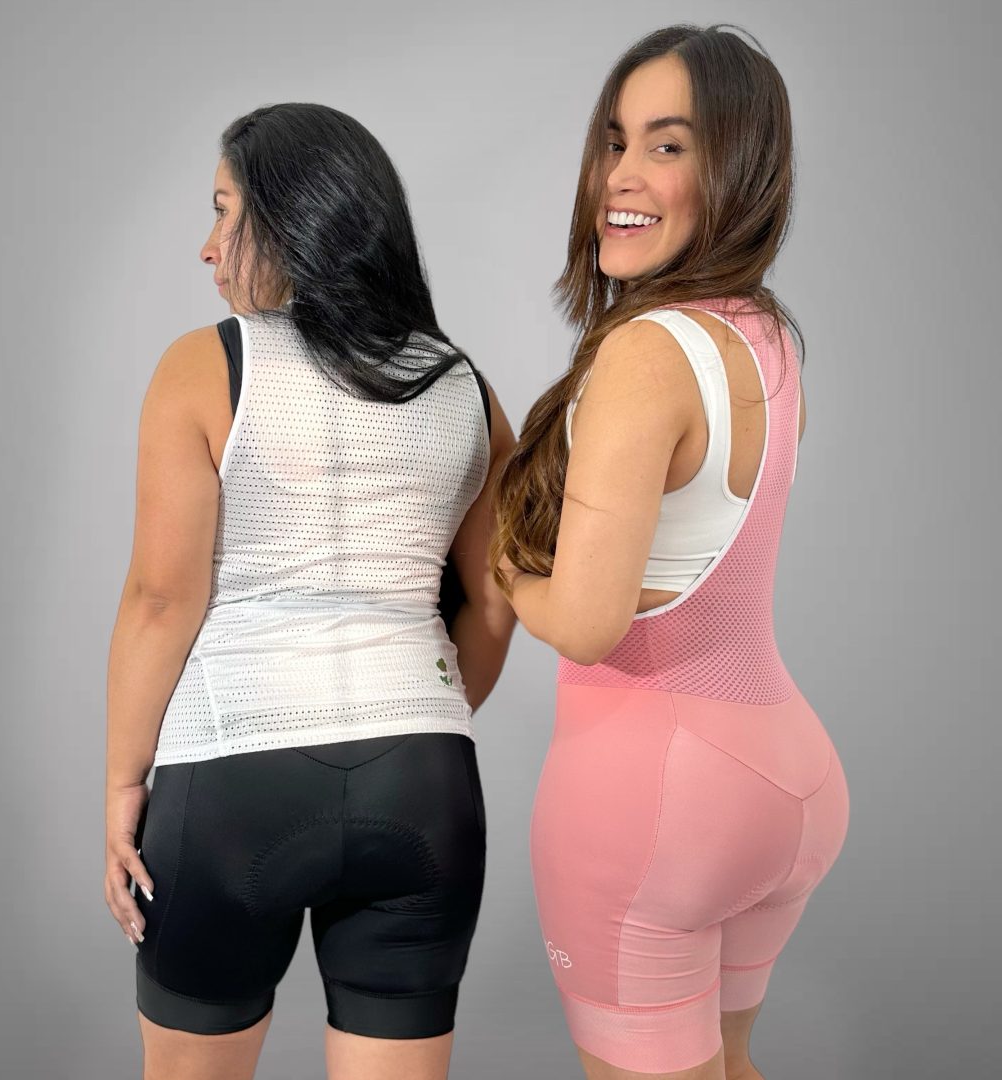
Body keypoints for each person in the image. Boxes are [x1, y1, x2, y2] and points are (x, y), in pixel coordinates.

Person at [102, 103, 517, 1080]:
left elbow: (160, 600)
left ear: (290, 215)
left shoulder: (206, 366)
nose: (208, 247)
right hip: (425, 784)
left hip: (232, 782)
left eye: (223, 210)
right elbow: (494, 606)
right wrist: (414, 715)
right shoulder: (464, 386)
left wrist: (124, 785)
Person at [489, 24, 851, 1080]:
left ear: (738, 169)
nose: (621, 176)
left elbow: (589, 623)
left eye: (668, 146)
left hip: (659, 804)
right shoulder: (766, 337)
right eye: (615, 141)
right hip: (788, 783)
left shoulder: (647, 353)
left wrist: (507, 570)